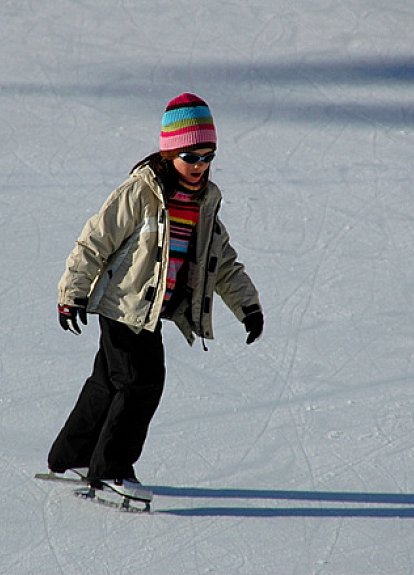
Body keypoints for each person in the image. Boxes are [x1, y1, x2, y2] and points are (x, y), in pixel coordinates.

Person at [47, 93, 263, 500]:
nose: (200, 165)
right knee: (142, 382)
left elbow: (223, 261)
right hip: (123, 307)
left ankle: (71, 455)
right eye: (190, 155)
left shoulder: (204, 203)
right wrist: (72, 293)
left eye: (207, 155)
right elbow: (94, 242)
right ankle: (111, 470)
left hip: (149, 311)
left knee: (108, 384)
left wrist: (247, 306)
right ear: (169, 153)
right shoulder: (141, 192)